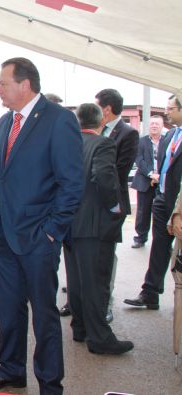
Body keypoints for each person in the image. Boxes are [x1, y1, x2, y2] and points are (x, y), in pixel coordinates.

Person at [0, 58, 83, 394]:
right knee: (9, 309)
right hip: (3, 235)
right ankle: (11, 370)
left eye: (2, 83)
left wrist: (52, 230)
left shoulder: (59, 120)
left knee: (44, 315)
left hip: (38, 236)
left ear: (25, 84)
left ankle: (50, 383)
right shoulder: (6, 122)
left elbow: (72, 183)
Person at [64, 103, 133, 355]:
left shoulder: (70, 143)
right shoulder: (102, 144)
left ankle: (80, 327)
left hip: (71, 222)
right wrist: (115, 206)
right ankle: (100, 337)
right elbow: (104, 176)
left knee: (76, 279)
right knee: (97, 281)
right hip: (95, 223)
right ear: (100, 122)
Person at [125, 95, 182, 310]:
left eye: (171, 108)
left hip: (179, 204)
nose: (167, 112)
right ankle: (150, 293)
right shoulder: (171, 136)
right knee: (159, 247)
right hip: (163, 198)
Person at [95, 88, 138, 323]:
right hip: (91, 204)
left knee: (106, 255)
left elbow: (119, 171)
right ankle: (82, 301)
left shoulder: (127, 134)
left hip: (113, 204)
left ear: (107, 109)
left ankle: (105, 304)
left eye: (98, 106)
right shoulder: (97, 130)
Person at [130, 115, 164, 248]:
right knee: (143, 211)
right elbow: (139, 159)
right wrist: (151, 174)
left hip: (162, 182)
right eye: (152, 124)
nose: (154, 126)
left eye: (157, 124)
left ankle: (160, 240)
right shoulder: (141, 141)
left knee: (161, 212)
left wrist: (160, 175)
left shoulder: (167, 141)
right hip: (145, 181)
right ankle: (140, 237)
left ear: (161, 126)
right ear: (148, 126)